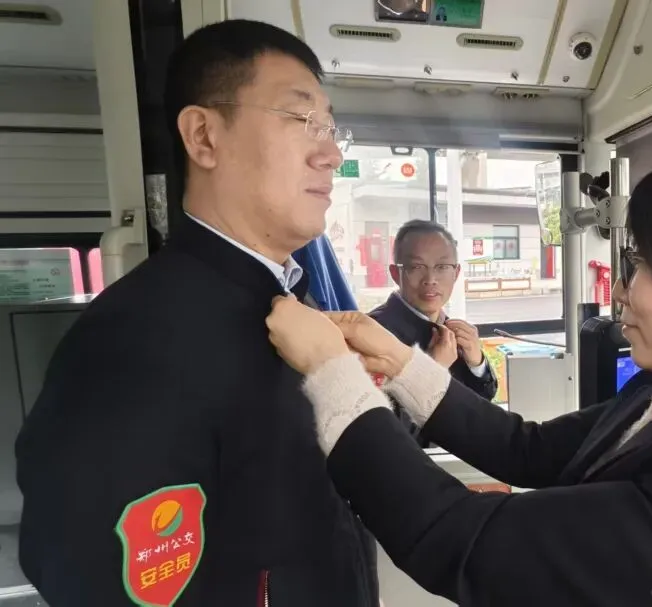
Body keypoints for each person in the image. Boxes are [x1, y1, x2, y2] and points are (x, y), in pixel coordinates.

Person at [266, 143, 652, 606]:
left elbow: (461, 541)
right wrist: (400, 364)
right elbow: (530, 448)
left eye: (640, 264)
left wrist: (332, 373)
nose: (620, 292)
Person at [15, 20, 380, 607]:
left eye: (331, 127)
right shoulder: (132, 344)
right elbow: (96, 575)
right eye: (301, 118)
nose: (331, 154)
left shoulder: (297, 309)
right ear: (204, 137)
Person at [367, 220, 497, 444]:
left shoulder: (452, 330)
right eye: (417, 267)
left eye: (442, 267)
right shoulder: (371, 334)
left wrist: (477, 365)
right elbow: (380, 435)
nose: (430, 280)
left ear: (456, 273)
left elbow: (477, 411)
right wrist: (429, 371)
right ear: (395, 273)